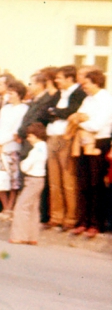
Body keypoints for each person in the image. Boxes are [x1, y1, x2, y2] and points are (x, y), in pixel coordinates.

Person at [69, 69, 112, 238]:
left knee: (96, 184)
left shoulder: (106, 100)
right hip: (83, 141)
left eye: (86, 83)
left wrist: (81, 122)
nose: (83, 86)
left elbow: (96, 125)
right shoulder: (87, 99)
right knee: (83, 183)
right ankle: (83, 221)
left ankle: (96, 223)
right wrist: (81, 120)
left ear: (95, 82)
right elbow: (77, 116)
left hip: (99, 142)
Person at [45, 66, 86, 231]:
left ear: (70, 79)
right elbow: (46, 111)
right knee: (54, 180)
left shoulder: (79, 93)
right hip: (53, 137)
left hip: (66, 138)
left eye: (60, 78)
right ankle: (56, 216)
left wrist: (56, 112)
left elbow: (71, 112)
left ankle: (71, 217)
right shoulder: (58, 94)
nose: (57, 81)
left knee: (68, 179)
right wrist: (57, 112)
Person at [0, 79, 29, 219]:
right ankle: (5, 206)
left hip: (12, 146)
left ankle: (10, 208)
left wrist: (2, 142)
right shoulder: (5, 108)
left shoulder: (23, 109)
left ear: (19, 94)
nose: (9, 96)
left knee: (13, 179)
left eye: (12, 93)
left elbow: (16, 130)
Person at [9, 123, 48, 245]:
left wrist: (22, 164)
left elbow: (26, 166)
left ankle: (19, 236)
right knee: (33, 208)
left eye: (30, 136)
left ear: (36, 136)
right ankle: (32, 236)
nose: (28, 139)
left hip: (33, 179)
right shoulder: (43, 147)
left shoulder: (37, 149)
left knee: (22, 207)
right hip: (38, 179)